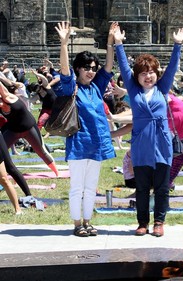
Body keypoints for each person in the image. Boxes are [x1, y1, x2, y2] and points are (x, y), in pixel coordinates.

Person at [114, 24, 183, 237]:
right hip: (141, 145)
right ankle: (143, 223)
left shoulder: (162, 89)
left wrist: (177, 45)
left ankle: (159, 222)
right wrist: (118, 43)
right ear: (137, 76)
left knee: (162, 187)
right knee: (142, 187)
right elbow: (125, 67)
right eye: (144, 73)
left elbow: (173, 67)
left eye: (152, 72)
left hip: (162, 145)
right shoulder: (134, 89)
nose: (148, 76)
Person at [55, 21, 117, 237]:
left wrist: (110, 41)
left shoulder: (96, 88)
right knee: (77, 188)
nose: (91, 71)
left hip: (97, 144)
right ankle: (77, 224)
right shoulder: (72, 87)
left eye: (93, 68)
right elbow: (64, 71)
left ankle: (88, 221)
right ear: (78, 69)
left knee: (91, 188)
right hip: (79, 144)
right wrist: (64, 43)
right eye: (86, 68)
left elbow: (108, 67)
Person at [0, 82, 59, 176]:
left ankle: (56, 172)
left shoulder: (9, 98)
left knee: (41, 151)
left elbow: (2, 88)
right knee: (1, 151)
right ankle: (8, 173)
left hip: (29, 128)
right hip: (13, 131)